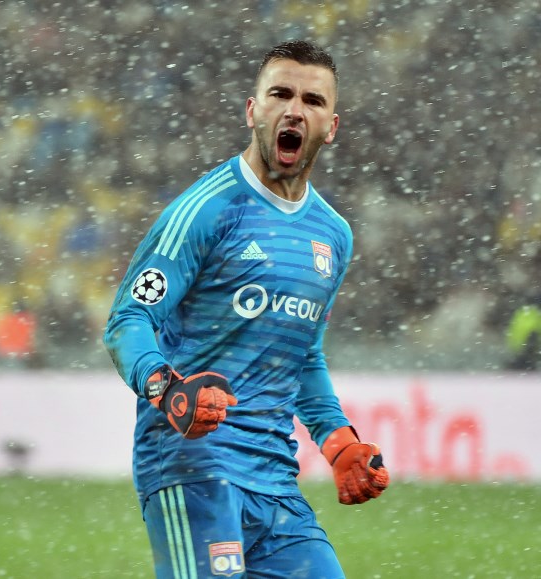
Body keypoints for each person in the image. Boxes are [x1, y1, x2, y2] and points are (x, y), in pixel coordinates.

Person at [103, 40, 389, 578]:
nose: (294, 109)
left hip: (275, 478)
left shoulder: (333, 235)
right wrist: (167, 388)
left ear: (331, 125)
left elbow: (302, 356)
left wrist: (338, 443)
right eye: (280, 94)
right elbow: (128, 320)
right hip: (192, 466)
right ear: (253, 111)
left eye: (312, 100)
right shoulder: (206, 211)